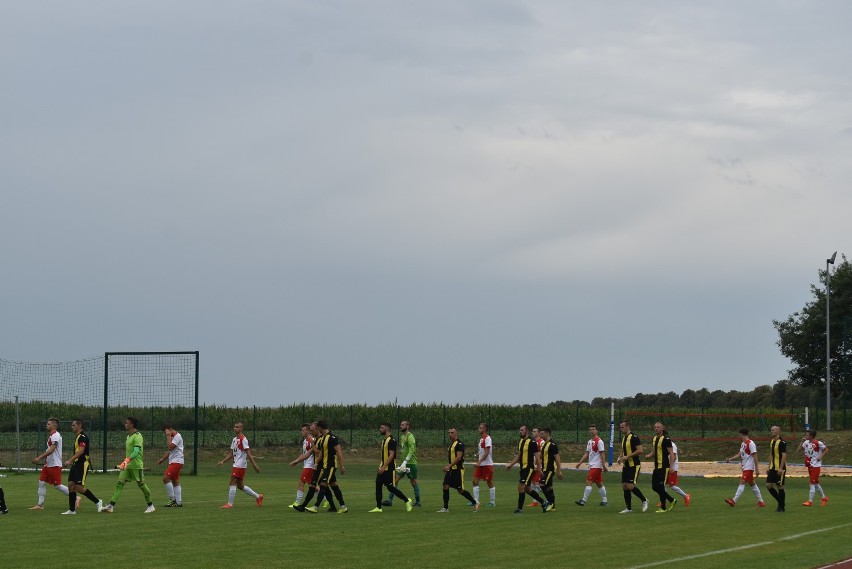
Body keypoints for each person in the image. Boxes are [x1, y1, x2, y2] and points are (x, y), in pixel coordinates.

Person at [102, 416, 155, 514]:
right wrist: (126, 462)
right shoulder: (128, 436)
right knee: (119, 484)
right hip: (127, 467)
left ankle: (151, 506)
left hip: (136, 466)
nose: (125, 424)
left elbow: (136, 451)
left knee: (142, 485)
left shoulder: (138, 436)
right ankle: (111, 506)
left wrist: (127, 460)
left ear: (132, 425)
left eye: (127, 423)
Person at [295, 419, 347, 514]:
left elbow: (339, 452)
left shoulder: (332, 438)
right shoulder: (323, 439)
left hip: (330, 466)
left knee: (323, 485)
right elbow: (321, 453)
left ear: (319, 428)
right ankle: (342, 506)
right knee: (333, 485)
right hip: (322, 466)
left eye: (313, 430)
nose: (311, 432)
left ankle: (315, 507)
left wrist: (341, 466)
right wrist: (316, 463)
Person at [217, 422, 263, 509]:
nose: (235, 428)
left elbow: (249, 454)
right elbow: (231, 453)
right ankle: (258, 496)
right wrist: (223, 461)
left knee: (232, 482)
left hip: (240, 465)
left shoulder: (243, 439)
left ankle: (229, 504)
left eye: (237, 427)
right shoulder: (234, 439)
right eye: (234, 427)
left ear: (241, 429)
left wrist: (255, 466)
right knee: (240, 486)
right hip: (236, 464)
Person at [504, 424, 549, 514]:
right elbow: (519, 455)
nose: (520, 432)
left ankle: (519, 509)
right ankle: (544, 502)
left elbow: (537, 456)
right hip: (523, 468)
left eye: (522, 430)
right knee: (528, 489)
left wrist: (539, 469)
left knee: (521, 486)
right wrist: (511, 465)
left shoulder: (532, 442)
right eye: (520, 430)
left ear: (527, 431)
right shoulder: (521, 442)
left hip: (529, 468)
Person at [370, 423, 414, 512]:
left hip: (389, 468)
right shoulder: (384, 440)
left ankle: (407, 500)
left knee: (391, 488)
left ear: (387, 429)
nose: (380, 429)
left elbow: (391, 455)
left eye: (381, 428)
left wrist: (384, 467)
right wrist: (381, 466)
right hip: (382, 467)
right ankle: (378, 507)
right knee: (378, 485)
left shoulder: (392, 440)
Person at [62, 418, 103, 514]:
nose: (72, 427)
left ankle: (98, 502)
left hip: (82, 464)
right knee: (71, 485)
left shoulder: (83, 437)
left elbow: (81, 451)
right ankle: (72, 510)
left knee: (79, 487)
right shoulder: (78, 437)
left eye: (74, 425)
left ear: (79, 425)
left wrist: (69, 461)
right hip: (76, 464)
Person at [29, 417, 70, 510]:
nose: (46, 425)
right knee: (41, 482)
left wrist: (39, 458)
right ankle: (40, 505)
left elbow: (51, 450)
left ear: (54, 426)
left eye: (48, 424)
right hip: (48, 464)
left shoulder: (55, 435)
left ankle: (75, 497)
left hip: (55, 464)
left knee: (58, 486)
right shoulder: (51, 436)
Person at [437, 427, 478, 512]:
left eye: (452, 433)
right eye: (449, 433)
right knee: (445, 486)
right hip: (451, 470)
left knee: (460, 490)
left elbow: (459, 457)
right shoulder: (451, 444)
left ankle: (474, 502)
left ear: (456, 434)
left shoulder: (459, 444)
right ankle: (445, 508)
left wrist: (449, 466)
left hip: (458, 470)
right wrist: (449, 467)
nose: (450, 434)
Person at [382, 419, 421, 507]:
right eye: (401, 425)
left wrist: (406, 461)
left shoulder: (410, 437)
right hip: (402, 463)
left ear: (407, 427)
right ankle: (389, 500)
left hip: (410, 463)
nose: (401, 426)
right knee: (395, 481)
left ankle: (418, 502)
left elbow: (412, 450)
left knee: (413, 482)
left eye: (403, 425)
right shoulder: (402, 437)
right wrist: (402, 462)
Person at [724, 427, 765, 508]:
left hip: (749, 468)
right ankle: (761, 502)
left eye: (740, 435)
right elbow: (739, 454)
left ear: (742, 434)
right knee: (752, 484)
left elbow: (755, 456)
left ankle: (734, 501)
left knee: (742, 482)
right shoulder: (743, 444)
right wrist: (730, 459)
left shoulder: (751, 443)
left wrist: (757, 468)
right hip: (745, 467)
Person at [615, 419, 648, 514]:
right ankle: (628, 509)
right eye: (620, 427)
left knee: (630, 486)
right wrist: (620, 457)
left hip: (634, 465)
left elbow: (640, 450)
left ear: (627, 426)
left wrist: (627, 456)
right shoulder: (624, 438)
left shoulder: (634, 437)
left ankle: (644, 500)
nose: (621, 429)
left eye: (623, 427)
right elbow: (623, 449)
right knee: (625, 486)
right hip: (626, 466)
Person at [645, 422, 676, 513]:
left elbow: (671, 453)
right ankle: (671, 500)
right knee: (655, 487)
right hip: (657, 466)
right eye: (655, 427)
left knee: (660, 487)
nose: (656, 428)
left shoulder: (666, 439)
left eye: (658, 427)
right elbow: (654, 451)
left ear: (662, 429)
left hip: (664, 466)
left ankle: (663, 507)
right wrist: (649, 456)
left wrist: (671, 467)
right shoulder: (654, 439)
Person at [575, 424, 608, 507]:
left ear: (597, 431)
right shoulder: (589, 442)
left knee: (588, 482)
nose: (592, 431)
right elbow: (587, 453)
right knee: (599, 484)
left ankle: (583, 500)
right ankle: (604, 501)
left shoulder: (599, 441)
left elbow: (602, 453)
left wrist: (603, 465)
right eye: (590, 429)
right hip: (592, 465)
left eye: (593, 429)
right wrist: (580, 462)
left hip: (597, 466)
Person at [288, 423, 316, 508]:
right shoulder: (305, 441)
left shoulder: (312, 440)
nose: (302, 432)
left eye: (303, 430)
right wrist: (297, 461)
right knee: (312, 484)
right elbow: (304, 454)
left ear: (308, 431)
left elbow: (315, 452)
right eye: (301, 430)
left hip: (310, 465)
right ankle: (326, 499)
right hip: (307, 464)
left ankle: (297, 502)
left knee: (301, 482)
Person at [156, 425, 184, 507]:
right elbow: (170, 451)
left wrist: (168, 436)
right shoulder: (173, 437)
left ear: (171, 429)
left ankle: (173, 499)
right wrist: (162, 459)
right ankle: (178, 502)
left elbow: (170, 447)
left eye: (166, 432)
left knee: (165, 478)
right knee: (175, 481)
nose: (166, 434)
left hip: (177, 462)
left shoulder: (177, 436)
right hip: (174, 462)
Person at [801, 430, 828, 507]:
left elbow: (826, 449)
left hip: (816, 466)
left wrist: (820, 457)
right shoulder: (806, 443)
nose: (806, 436)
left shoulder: (818, 443)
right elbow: (800, 449)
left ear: (812, 436)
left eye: (807, 435)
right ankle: (824, 498)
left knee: (812, 484)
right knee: (815, 484)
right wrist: (801, 442)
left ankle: (810, 501)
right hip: (810, 465)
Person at [471, 422, 496, 508]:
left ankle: (492, 502)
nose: (479, 429)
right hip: (481, 464)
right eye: (479, 428)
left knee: (489, 482)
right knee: (474, 481)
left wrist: (479, 461)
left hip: (487, 464)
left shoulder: (488, 438)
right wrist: (477, 454)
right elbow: (482, 451)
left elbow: (487, 452)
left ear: (485, 429)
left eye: (480, 428)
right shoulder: (481, 439)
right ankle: (476, 501)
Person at [538, 427, 563, 510]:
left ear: (547, 434)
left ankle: (550, 503)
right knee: (549, 487)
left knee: (542, 484)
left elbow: (557, 457)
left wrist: (559, 471)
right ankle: (553, 507)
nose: (540, 435)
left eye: (542, 434)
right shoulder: (544, 444)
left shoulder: (552, 444)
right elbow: (542, 456)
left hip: (549, 469)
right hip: (544, 469)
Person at [765, 425, 787, 512]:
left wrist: (781, 468)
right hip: (772, 468)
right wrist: (768, 466)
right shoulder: (772, 441)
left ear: (778, 431)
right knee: (768, 485)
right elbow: (771, 454)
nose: (772, 431)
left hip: (779, 468)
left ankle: (781, 507)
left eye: (773, 430)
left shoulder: (782, 442)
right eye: (771, 430)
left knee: (780, 487)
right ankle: (781, 502)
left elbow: (784, 455)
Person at [665, 433, 690, 507]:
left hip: (672, 468)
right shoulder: (665, 445)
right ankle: (664, 501)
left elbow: (674, 457)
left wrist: (670, 466)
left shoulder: (672, 445)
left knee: (672, 486)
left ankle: (686, 496)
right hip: (665, 467)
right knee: (662, 485)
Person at [527, 427, 545, 507]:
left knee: (538, 484)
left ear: (538, 433)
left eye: (534, 431)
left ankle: (549, 496)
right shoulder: (532, 441)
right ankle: (535, 502)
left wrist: (538, 465)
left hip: (538, 466)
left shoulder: (541, 442)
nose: (532, 433)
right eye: (532, 431)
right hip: (533, 465)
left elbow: (543, 454)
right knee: (533, 483)